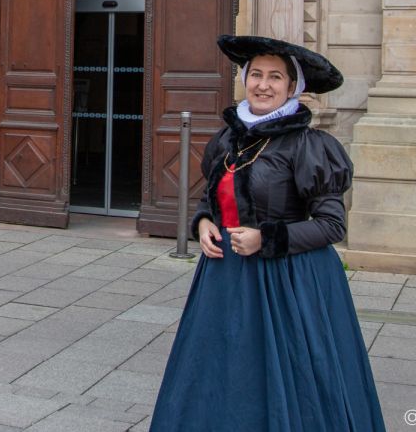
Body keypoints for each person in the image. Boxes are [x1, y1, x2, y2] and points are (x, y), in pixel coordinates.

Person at [150, 35, 385, 432]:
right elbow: (213, 198)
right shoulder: (230, 138)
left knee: (287, 376)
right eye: (255, 74)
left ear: (293, 88)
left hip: (289, 283)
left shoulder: (309, 145)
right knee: (221, 371)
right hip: (225, 281)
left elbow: (331, 225)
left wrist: (266, 238)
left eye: (275, 77)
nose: (262, 85)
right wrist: (203, 223)